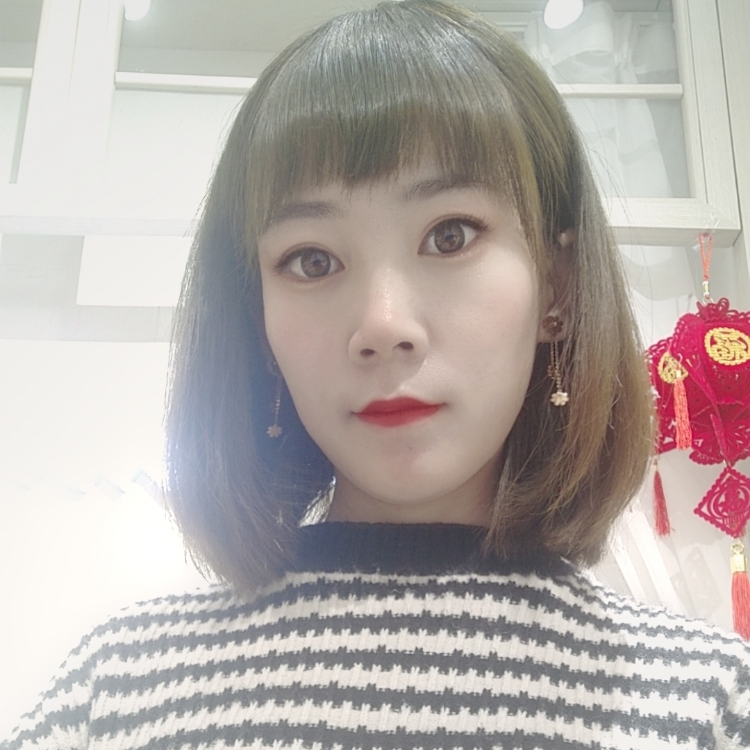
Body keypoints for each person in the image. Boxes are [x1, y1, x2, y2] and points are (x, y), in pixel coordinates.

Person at [4, 1, 750, 748]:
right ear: (256, 319)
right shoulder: (116, 690)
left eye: (450, 235)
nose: (383, 325)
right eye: (312, 260)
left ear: (556, 287)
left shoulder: (708, 703)